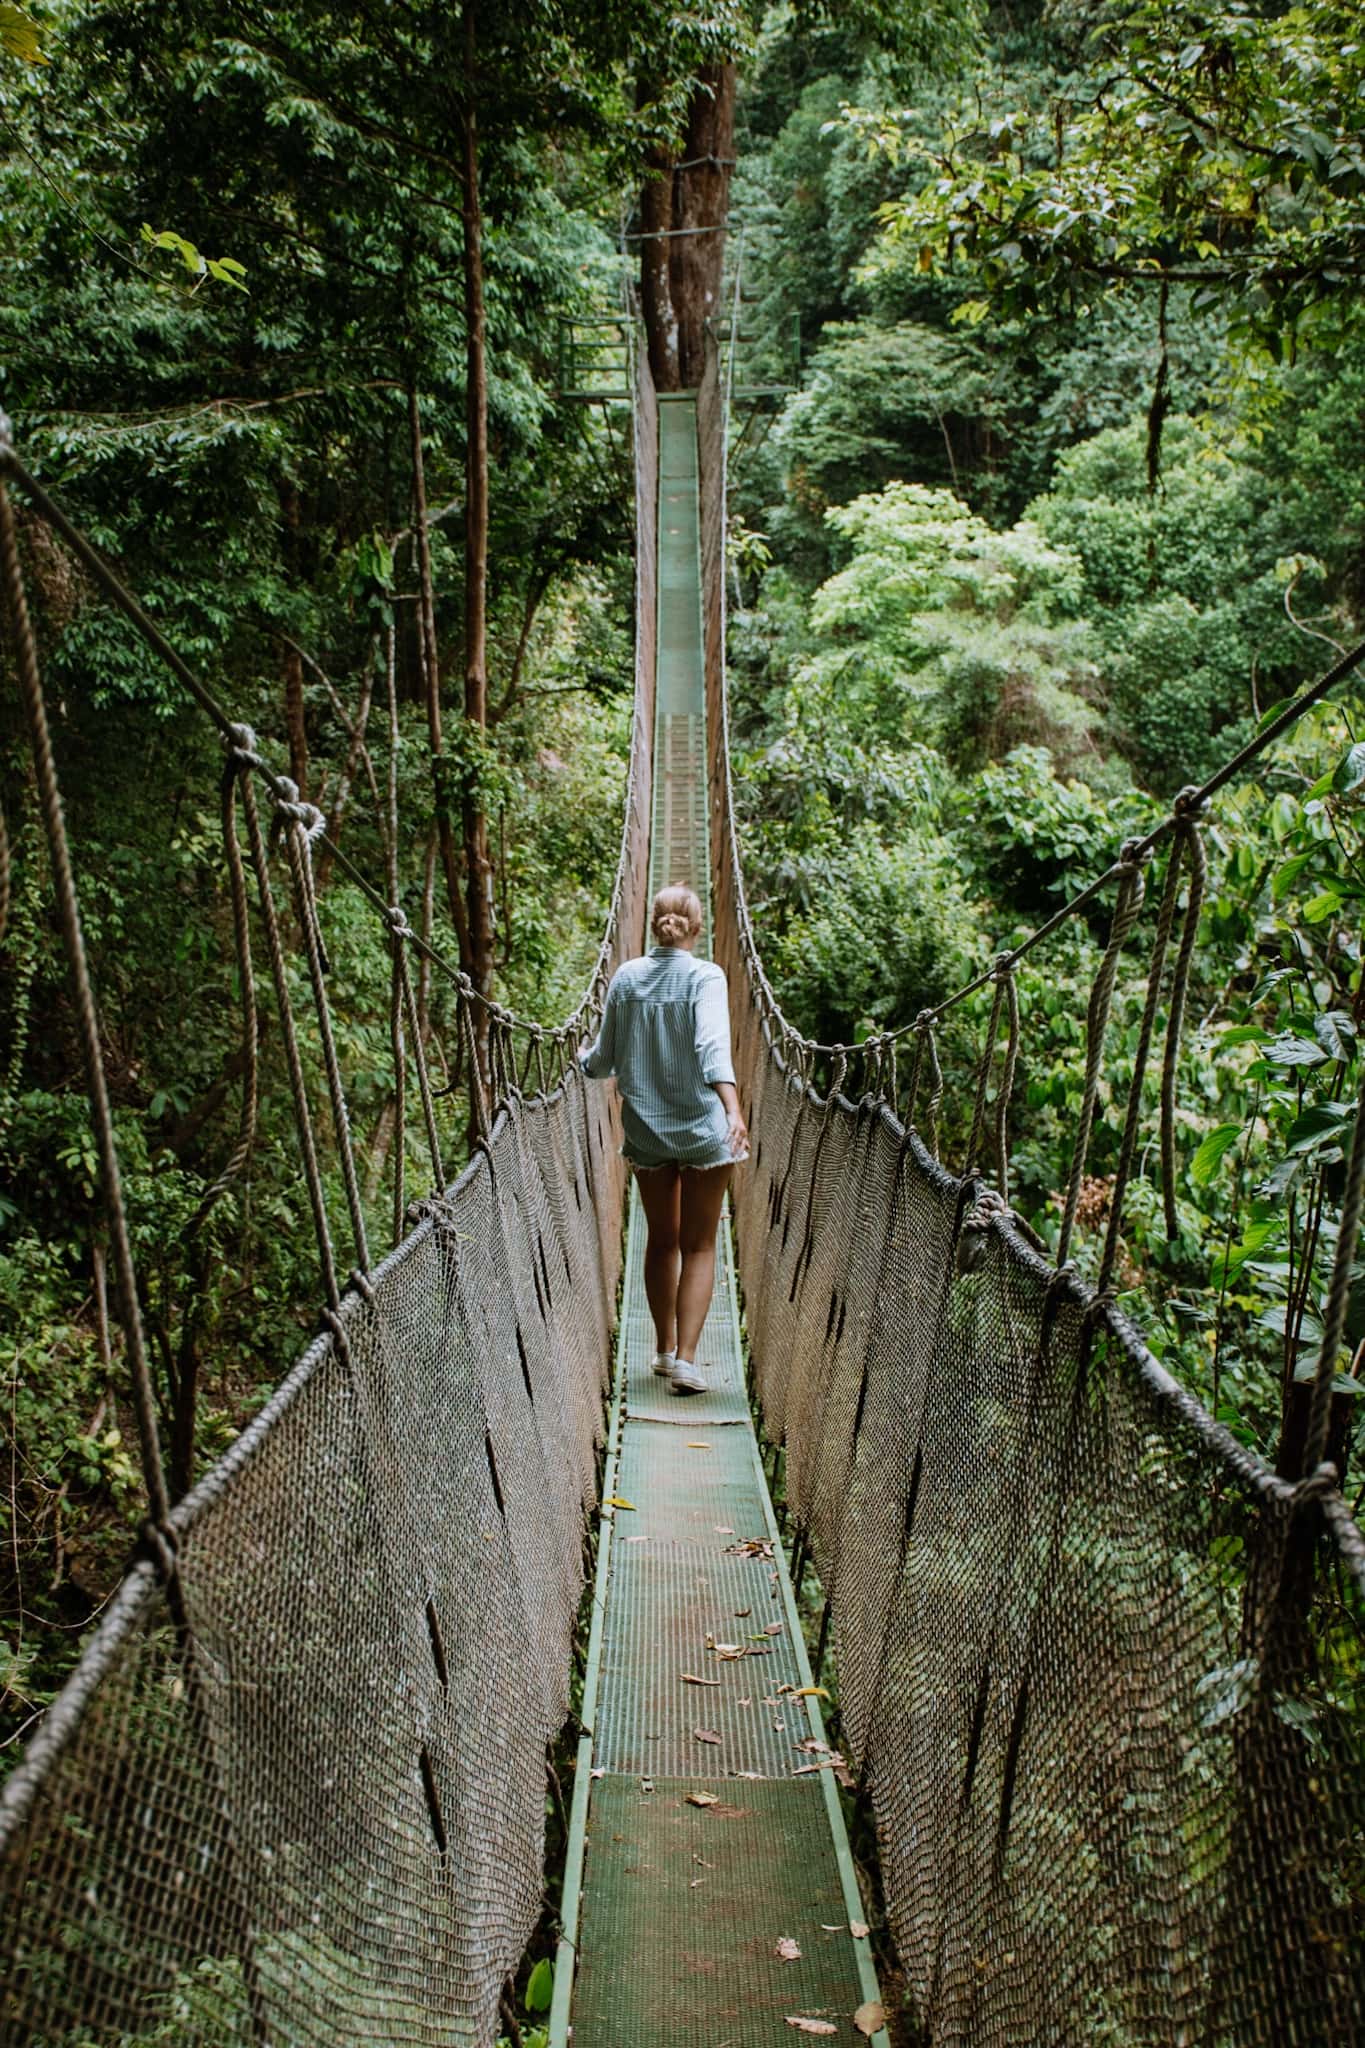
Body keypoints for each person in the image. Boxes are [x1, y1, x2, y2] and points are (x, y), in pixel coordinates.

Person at [580, 883, 748, 1395]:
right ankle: (687, 1362)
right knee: (699, 1244)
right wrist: (732, 1108)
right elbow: (713, 1045)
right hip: (702, 1130)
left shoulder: (627, 979)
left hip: (647, 1132)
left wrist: (580, 1055)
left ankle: (660, 1349)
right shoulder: (706, 976)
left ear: (655, 923)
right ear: (697, 930)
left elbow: (601, 1063)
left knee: (662, 1239)